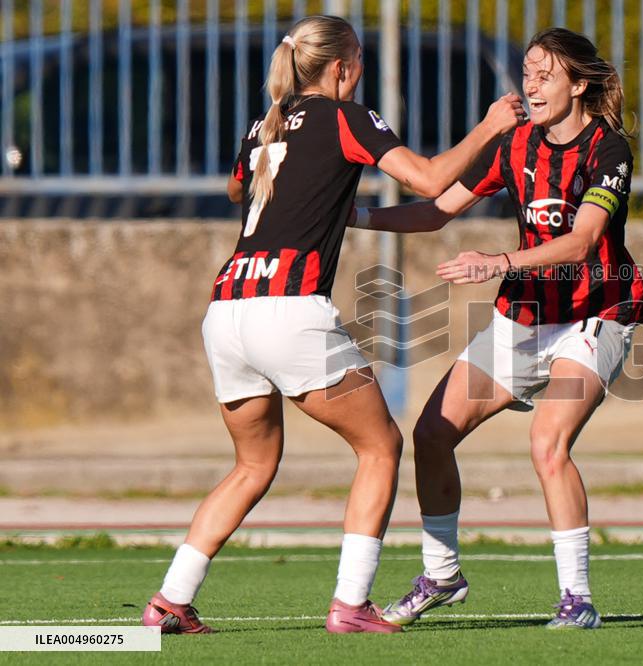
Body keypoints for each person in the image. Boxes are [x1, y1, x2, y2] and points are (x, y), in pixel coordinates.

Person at [141, 15, 523, 635]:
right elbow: (428, 179)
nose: (362, 73)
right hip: (289, 311)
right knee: (381, 447)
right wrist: (489, 125)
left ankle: (169, 602)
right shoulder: (347, 117)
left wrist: (318, 195)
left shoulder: (261, 124)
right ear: (342, 68)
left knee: (251, 467)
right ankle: (350, 604)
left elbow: (239, 189)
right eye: (360, 63)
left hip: (228, 307)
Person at [348, 27, 643, 629]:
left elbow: (584, 241)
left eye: (545, 74)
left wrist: (498, 263)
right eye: (528, 72)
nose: (531, 84)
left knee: (548, 442)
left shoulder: (608, 150)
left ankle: (578, 598)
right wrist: (353, 217)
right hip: (526, 317)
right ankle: (441, 574)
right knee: (431, 434)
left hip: (597, 313)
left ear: (579, 82)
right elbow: (437, 209)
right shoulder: (515, 146)